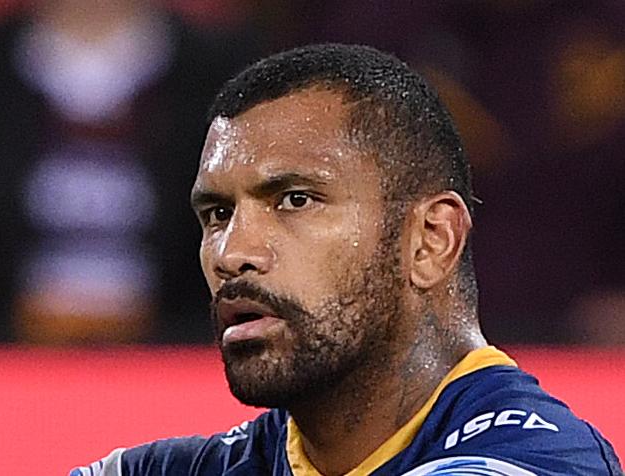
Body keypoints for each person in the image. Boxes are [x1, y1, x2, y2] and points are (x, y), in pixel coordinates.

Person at [71, 44, 623, 476]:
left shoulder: (540, 459)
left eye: (295, 200)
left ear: (430, 240)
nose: (232, 253)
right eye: (216, 214)